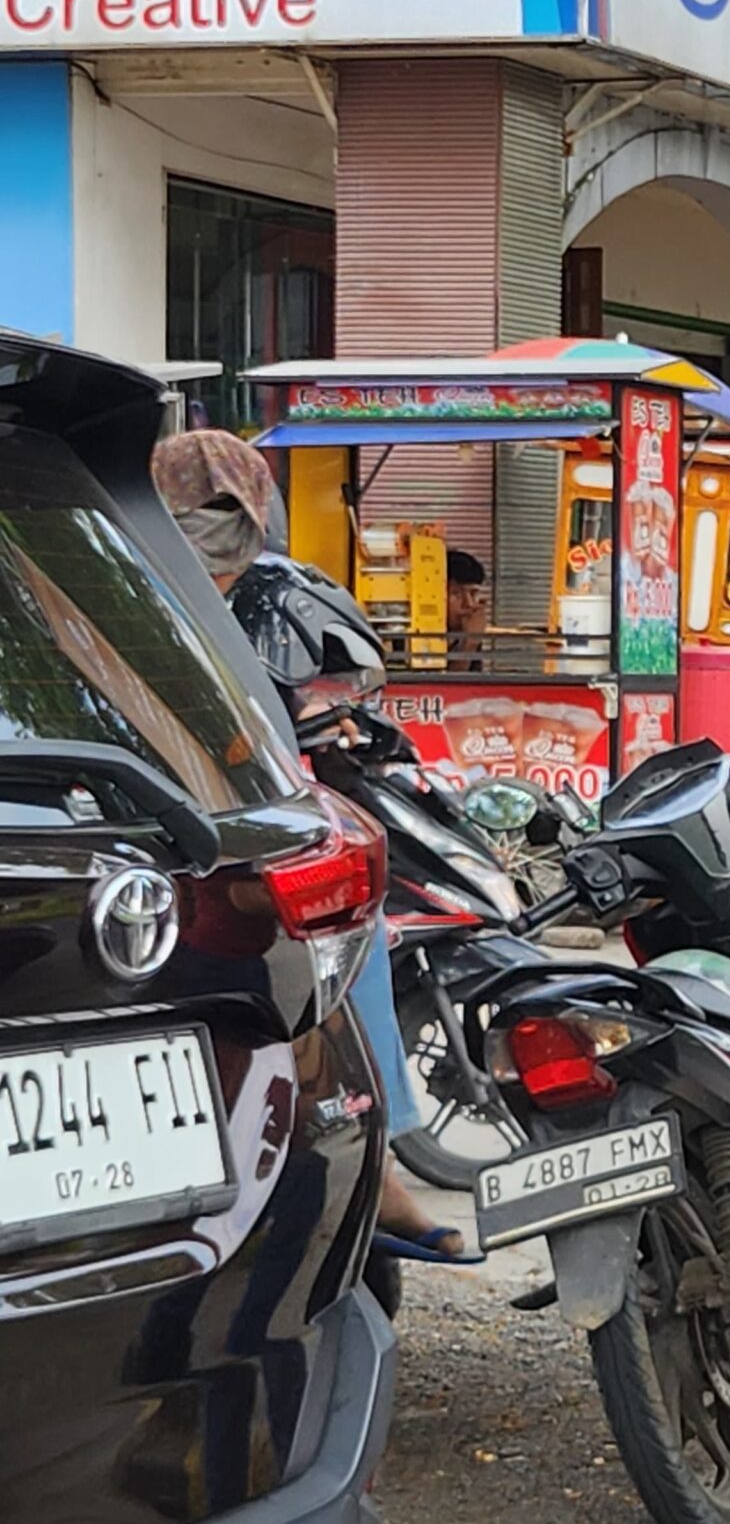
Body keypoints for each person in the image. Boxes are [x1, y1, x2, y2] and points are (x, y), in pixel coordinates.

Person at [151, 431, 459, 1256]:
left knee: (346, 927)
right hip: (181, 858)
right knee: (333, 934)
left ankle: (367, 1161)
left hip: (218, 844)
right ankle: (375, 1172)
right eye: (200, 531)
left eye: (223, 533)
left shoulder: (247, 605)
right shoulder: (138, 610)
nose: (215, 556)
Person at [446, 549, 490, 668]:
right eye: (456, 594)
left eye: (473, 594)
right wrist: (469, 644)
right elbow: (446, 686)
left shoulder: (463, 635)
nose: (469, 604)